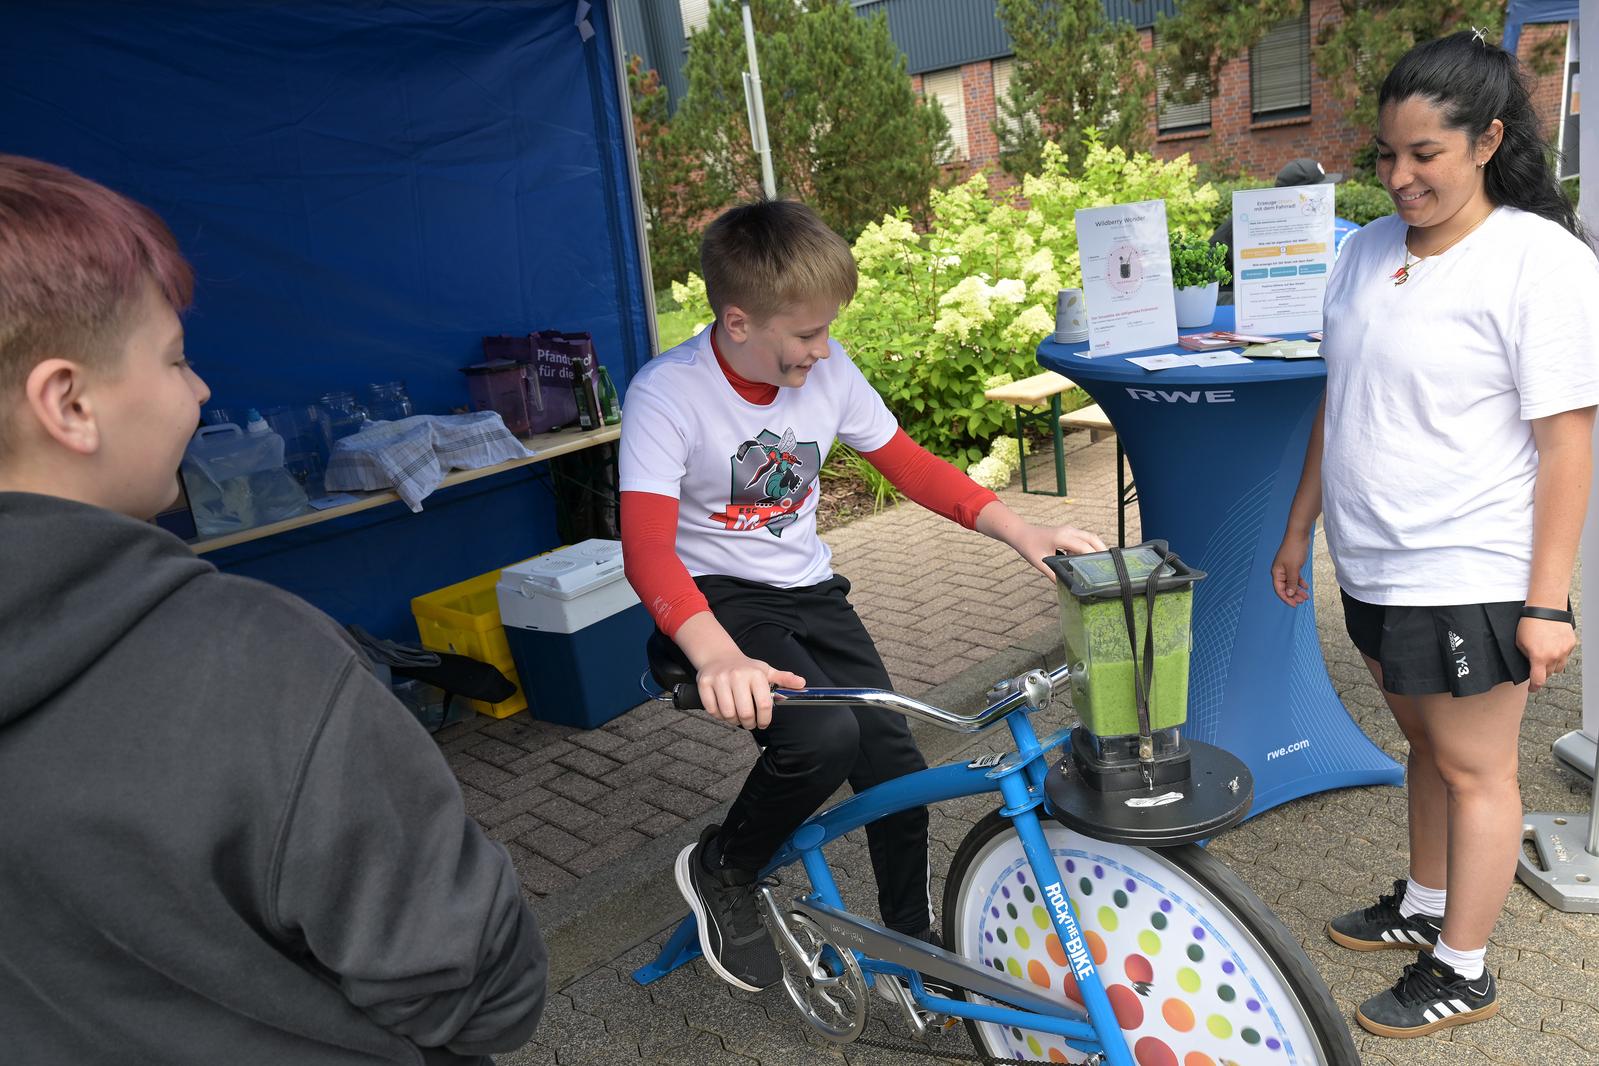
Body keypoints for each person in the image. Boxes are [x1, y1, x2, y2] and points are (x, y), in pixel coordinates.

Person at [0, 155, 547, 1063]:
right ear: (69, 402)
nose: (201, 389)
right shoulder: (255, 666)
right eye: (175, 358)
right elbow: (484, 993)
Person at [619, 199, 1105, 993]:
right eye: (806, 335)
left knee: (895, 773)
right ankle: (723, 867)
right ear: (737, 322)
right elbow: (644, 549)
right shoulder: (668, 394)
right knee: (821, 741)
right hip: (716, 598)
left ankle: (913, 950)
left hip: (809, 589)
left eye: (828, 330)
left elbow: (909, 465)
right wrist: (713, 656)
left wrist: (1023, 532)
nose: (824, 349)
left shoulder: (828, 369)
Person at [1269, 31, 1599, 1039]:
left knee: (1477, 769)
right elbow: (1343, 400)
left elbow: (1569, 444)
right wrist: (1300, 526)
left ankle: (1464, 967)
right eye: (1386, 154)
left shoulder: (1539, 259)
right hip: (1374, 561)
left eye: (1426, 155)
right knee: (1423, 745)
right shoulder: (1365, 250)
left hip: (1474, 567)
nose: (1400, 176)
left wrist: (1546, 601)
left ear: (1488, 139)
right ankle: (1424, 900)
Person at [1210, 158, 1356, 302]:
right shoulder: (1256, 225)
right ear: (1295, 195)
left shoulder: (1294, 220)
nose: (1323, 197)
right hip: (1225, 296)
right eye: (1318, 192)